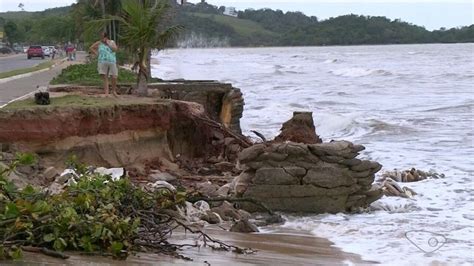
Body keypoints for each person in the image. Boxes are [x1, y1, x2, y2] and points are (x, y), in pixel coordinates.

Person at [89, 32, 119, 96]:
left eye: (103, 36)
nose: (102, 38)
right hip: (102, 61)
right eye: (101, 36)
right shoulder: (99, 43)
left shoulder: (111, 42)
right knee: (104, 77)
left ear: (106, 37)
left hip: (112, 61)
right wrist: (96, 53)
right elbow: (91, 48)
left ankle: (113, 91)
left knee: (114, 76)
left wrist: (107, 44)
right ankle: (106, 93)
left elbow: (115, 49)